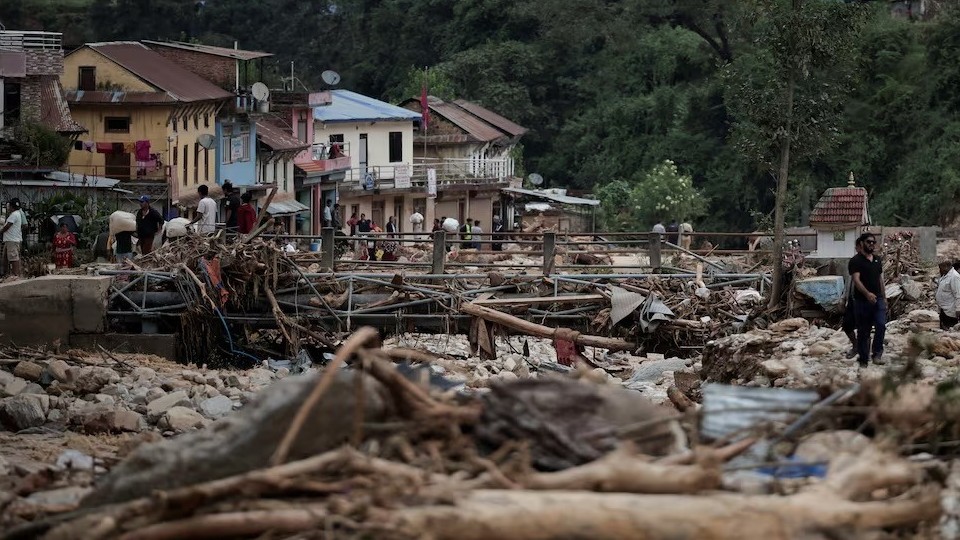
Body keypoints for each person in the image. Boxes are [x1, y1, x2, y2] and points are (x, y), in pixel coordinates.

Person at [849, 232, 886, 366]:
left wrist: (884, 297)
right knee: (863, 331)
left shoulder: (877, 260)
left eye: (873, 242)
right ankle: (863, 359)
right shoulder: (855, 261)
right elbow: (856, 280)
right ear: (862, 243)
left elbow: (880, 279)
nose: (871, 244)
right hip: (862, 301)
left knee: (881, 325)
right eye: (869, 242)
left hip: (878, 300)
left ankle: (877, 354)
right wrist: (867, 294)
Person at [841, 237, 863, 359]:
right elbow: (848, 281)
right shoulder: (853, 262)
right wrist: (844, 298)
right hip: (853, 299)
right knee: (847, 325)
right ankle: (856, 346)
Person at [1, 198, 25, 278]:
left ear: (11, 206)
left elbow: (7, 226)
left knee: (13, 257)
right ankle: (7, 274)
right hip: (10, 239)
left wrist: (1, 231)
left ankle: (15, 275)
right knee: (6, 257)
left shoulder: (14, 214)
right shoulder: (17, 213)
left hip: (12, 240)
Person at [937, 260, 960, 330]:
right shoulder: (945, 275)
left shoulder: (954, 276)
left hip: (950, 311)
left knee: (950, 331)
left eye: (941, 268)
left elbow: (958, 294)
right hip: (943, 309)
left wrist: (958, 309)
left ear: (946, 266)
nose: (940, 270)